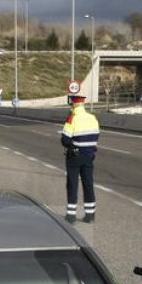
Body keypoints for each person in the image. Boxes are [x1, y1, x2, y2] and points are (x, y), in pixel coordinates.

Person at [59, 95, 100, 223]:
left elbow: (65, 140)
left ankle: (71, 216)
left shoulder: (72, 118)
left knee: (72, 183)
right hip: (89, 156)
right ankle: (90, 215)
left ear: (74, 105)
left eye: (71, 105)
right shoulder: (93, 118)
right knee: (88, 184)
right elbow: (96, 136)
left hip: (74, 156)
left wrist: (71, 144)